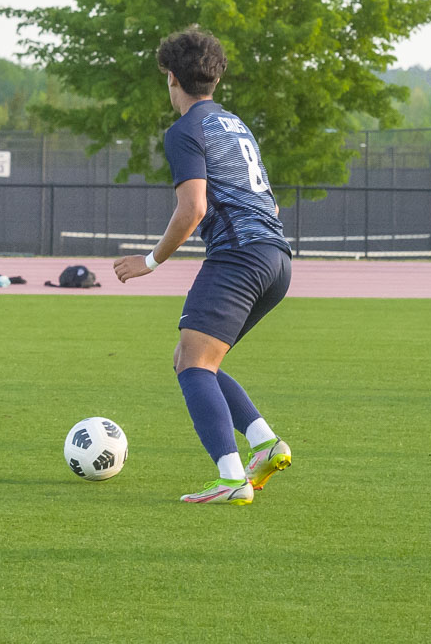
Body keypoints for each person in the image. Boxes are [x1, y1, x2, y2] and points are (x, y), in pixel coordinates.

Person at [114, 27, 293, 505]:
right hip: (277, 259)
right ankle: (265, 444)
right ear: (215, 78)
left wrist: (149, 261)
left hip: (240, 259)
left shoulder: (185, 131)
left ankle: (232, 479)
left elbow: (192, 208)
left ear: (171, 78)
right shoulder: (236, 125)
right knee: (193, 361)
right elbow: (268, 204)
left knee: (193, 364)